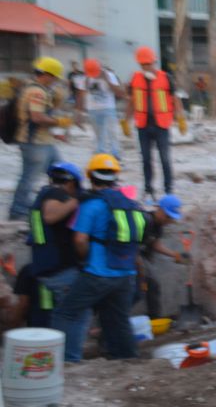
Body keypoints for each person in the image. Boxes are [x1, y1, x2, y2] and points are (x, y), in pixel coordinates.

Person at [51, 154, 147, 362]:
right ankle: (129, 360)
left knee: (65, 313)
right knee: (118, 319)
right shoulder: (130, 203)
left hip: (98, 273)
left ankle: (65, 361)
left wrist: (85, 260)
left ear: (90, 177)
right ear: (115, 177)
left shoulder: (91, 205)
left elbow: (79, 239)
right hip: (126, 274)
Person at [9, 57, 69, 221]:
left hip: (44, 141)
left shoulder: (33, 88)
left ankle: (58, 203)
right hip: (34, 143)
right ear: (48, 75)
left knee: (60, 173)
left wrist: (55, 133)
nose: (56, 82)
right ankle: (18, 211)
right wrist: (59, 122)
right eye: (55, 78)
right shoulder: (37, 92)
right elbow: (36, 117)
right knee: (29, 178)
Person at [27, 161, 85, 324]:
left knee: (54, 316)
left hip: (43, 267)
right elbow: (50, 216)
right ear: (72, 183)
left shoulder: (42, 195)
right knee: (75, 318)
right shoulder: (56, 194)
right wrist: (77, 201)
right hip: (60, 270)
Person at [128, 46, 185, 202]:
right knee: (146, 159)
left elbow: (175, 99)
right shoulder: (135, 79)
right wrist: (125, 120)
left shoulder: (166, 78)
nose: (146, 67)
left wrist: (180, 118)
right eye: (143, 64)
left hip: (162, 126)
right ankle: (148, 189)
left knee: (165, 159)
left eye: (148, 63)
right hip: (143, 125)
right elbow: (131, 101)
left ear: (154, 62)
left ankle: (168, 190)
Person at [136, 195, 184, 319]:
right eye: (167, 216)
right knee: (134, 291)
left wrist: (175, 255)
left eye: (171, 218)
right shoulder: (144, 220)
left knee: (153, 284)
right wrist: (140, 266)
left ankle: (154, 319)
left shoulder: (158, 226)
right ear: (158, 209)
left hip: (140, 257)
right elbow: (131, 245)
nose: (168, 221)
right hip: (129, 256)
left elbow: (155, 244)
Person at [74, 58, 123, 160]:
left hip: (108, 109)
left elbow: (119, 93)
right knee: (98, 136)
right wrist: (78, 114)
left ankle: (115, 156)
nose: (94, 75)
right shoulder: (85, 78)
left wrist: (107, 80)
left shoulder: (109, 75)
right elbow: (80, 96)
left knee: (112, 133)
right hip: (93, 110)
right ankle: (101, 156)